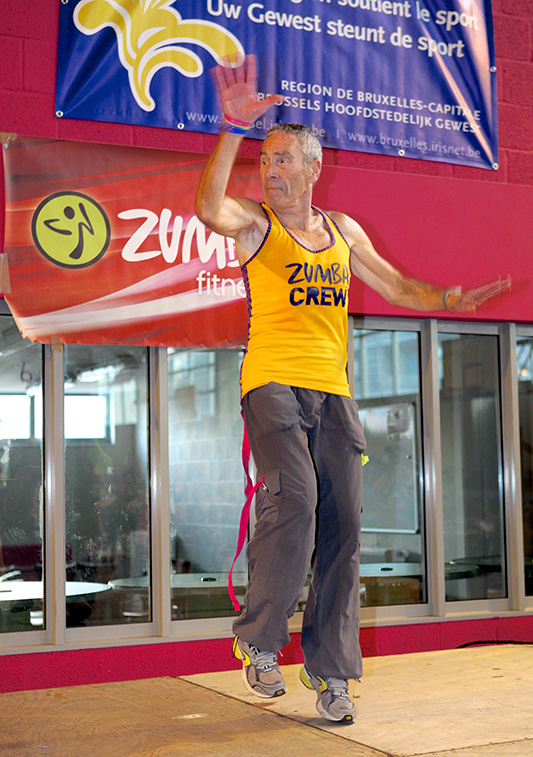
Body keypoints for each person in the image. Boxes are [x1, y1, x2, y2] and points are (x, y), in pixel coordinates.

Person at [195, 54, 510, 724]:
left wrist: (448, 298)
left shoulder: (342, 231)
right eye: (264, 160)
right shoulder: (256, 225)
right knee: (297, 497)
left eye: (283, 159)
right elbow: (205, 206)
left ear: (313, 167)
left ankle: (331, 672)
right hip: (271, 382)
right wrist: (231, 129)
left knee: (343, 524)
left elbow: (397, 286)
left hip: (333, 391)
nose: (270, 169)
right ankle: (260, 640)